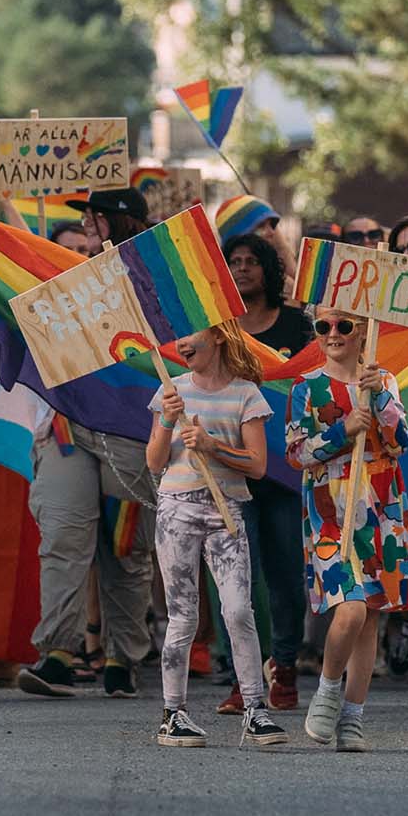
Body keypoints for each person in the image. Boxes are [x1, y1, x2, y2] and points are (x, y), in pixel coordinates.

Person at [15, 188, 160, 701]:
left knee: (126, 550)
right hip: (67, 430)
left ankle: (123, 657)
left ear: (122, 220)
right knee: (62, 535)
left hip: (131, 433)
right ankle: (58, 652)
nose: (90, 224)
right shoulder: (72, 277)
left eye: (98, 216)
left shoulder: (159, 278)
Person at [145, 320, 287, 748]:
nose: (182, 345)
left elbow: (258, 465)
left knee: (239, 610)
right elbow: (155, 461)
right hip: (177, 510)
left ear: (219, 337)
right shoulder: (172, 391)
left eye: (191, 335)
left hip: (227, 512)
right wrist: (168, 421)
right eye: (179, 338)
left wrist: (213, 447)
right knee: (183, 615)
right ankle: (173, 715)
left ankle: (255, 709)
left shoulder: (246, 394)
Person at [287, 310, 408, 752]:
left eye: (343, 326)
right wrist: (342, 430)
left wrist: (379, 395)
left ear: (362, 329)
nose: (332, 335)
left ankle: (353, 717)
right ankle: (328, 689)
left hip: (382, 507)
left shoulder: (384, 379)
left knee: (370, 618)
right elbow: (297, 454)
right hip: (331, 508)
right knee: (349, 610)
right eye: (323, 327)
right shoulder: (305, 388)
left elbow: (401, 441)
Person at [216, 232, 309, 712]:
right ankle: (244, 680)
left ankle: (286, 668)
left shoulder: (298, 324)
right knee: (236, 577)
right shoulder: (216, 326)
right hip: (231, 468)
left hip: (287, 471)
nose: (243, 268)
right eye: (233, 261)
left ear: (268, 270)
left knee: (286, 574)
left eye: (252, 261)